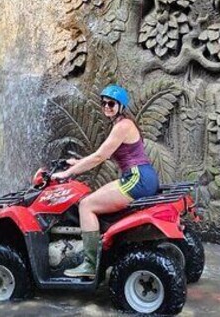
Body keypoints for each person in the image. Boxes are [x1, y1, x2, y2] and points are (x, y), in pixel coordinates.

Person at [51, 84, 160, 279]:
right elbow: (107, 154)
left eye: (111, 103)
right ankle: (104, 247)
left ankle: (90, 265)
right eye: (103, 103)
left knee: (86, 205)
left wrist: (66, 174)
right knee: (93, 197)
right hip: (139, 176)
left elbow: (99, 156)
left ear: (121, 106)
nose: (106, 107)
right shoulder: (122, 125)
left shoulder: (123, 126)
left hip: (136, 178)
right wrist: (77, 163)